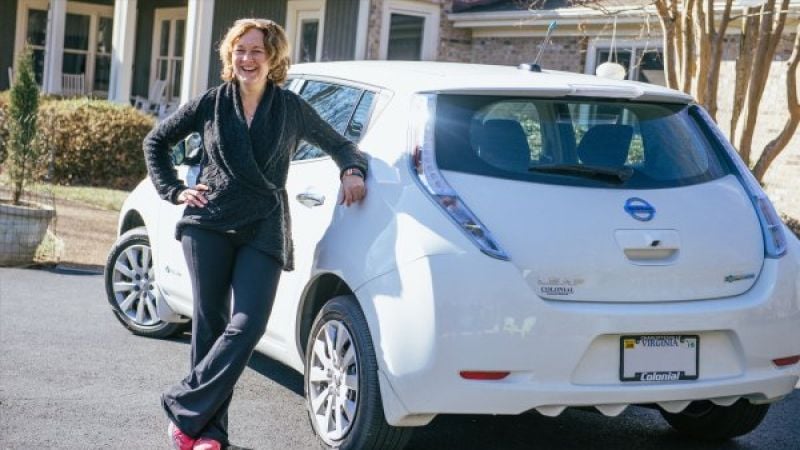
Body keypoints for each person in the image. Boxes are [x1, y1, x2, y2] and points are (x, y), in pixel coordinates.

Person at [142, 18, 368, 450]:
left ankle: (182, 405)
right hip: (208, 222)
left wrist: (352, 171)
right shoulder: (211, 103)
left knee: (247, 325)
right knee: (210, 326)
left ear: (273, 58)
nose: (247, 58)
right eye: (240, 50)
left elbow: (341, 145)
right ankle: (209, 433)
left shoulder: (291, 109)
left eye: (256, 51)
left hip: (263, 225)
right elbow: (156, 141)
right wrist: (174, 190)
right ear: (230, 55)